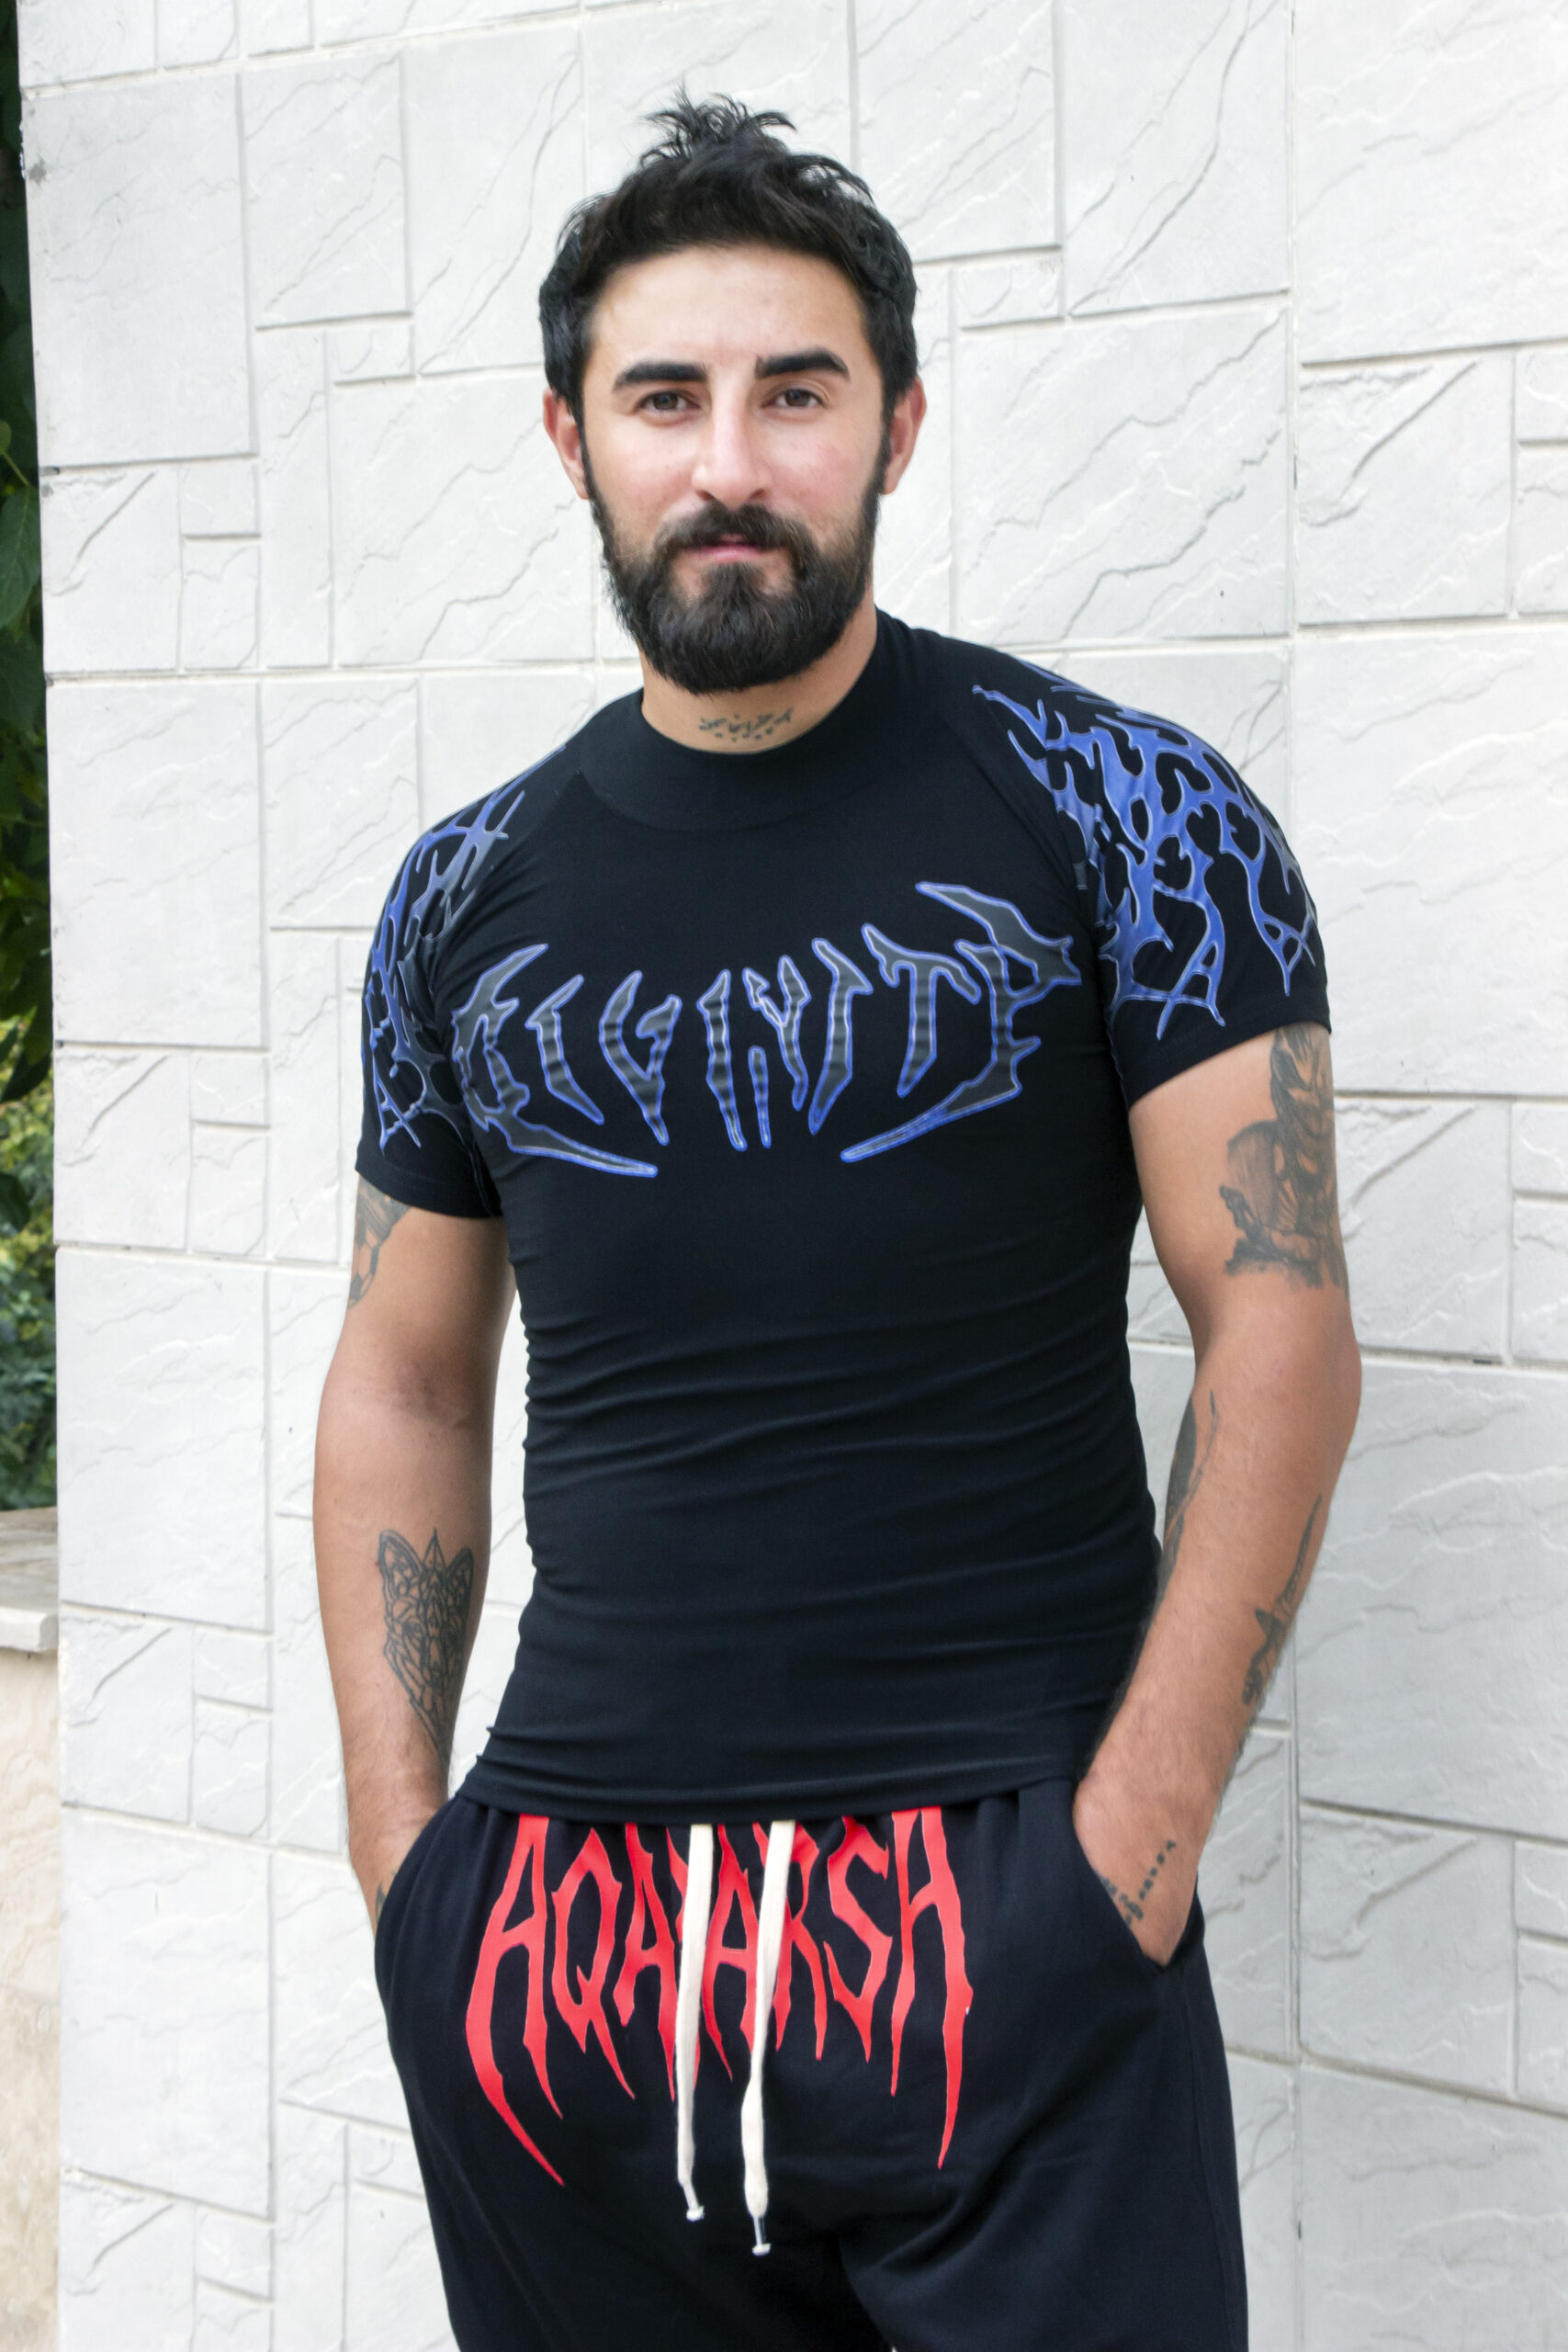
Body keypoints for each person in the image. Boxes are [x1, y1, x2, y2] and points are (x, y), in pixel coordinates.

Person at [314, 95, 1360, 2352]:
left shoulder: (1126, 813)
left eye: (794, 394)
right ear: (569, 439)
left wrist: (1128, 1853)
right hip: (560, 1947)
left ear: (895, 424)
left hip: (1008, 1913)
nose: (728, 462)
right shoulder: (461, 897)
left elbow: (1275, 1315)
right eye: (661, 398)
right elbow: (404, 1373)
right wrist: (408, 1870)